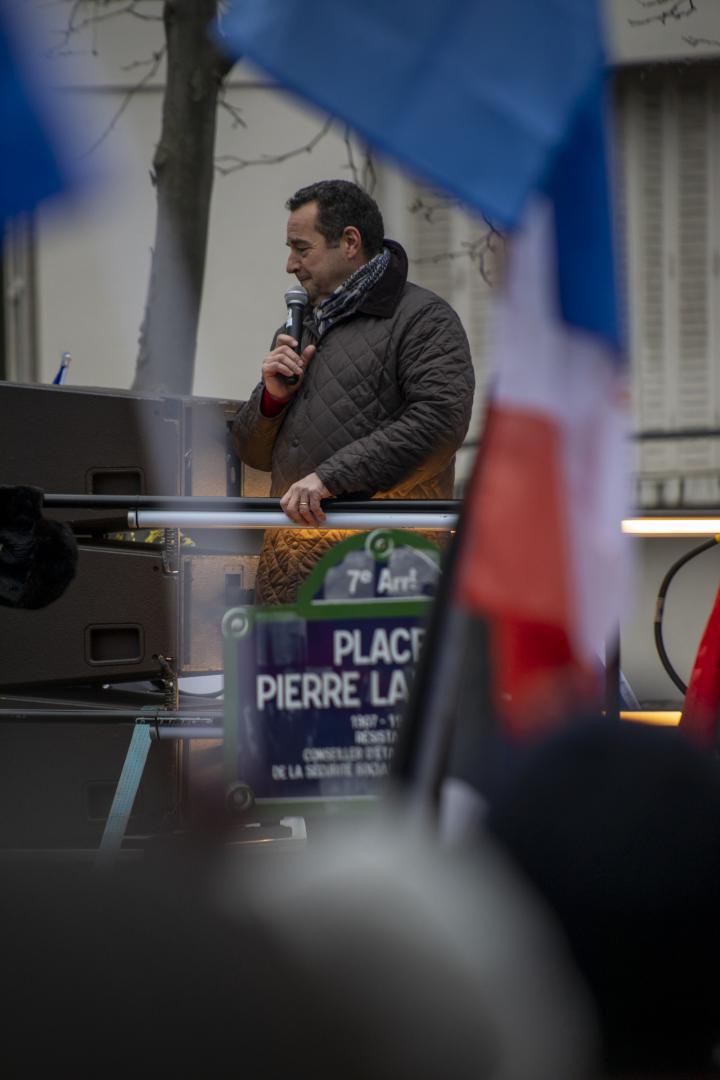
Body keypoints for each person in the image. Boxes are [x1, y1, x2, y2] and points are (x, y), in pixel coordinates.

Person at [232, 179, 475, 605]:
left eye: (301, 248)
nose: (290, 265)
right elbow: (252, 453)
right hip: (287, 582)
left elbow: (438, 422)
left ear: (349, 242)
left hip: (385, 577)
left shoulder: (424, 319)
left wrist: (330, 478)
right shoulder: (299, 326)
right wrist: (272, 400)